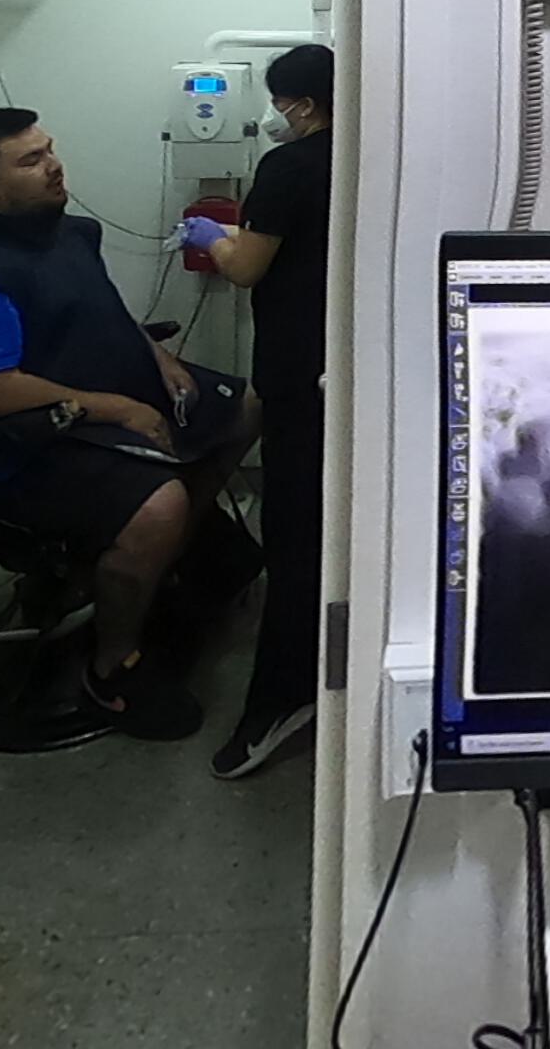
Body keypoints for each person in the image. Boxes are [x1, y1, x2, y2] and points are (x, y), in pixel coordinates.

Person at [0, 107, 262, 740]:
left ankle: (166, 555)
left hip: (104, 396)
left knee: (251, 405)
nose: (53, 165)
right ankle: (111, 666)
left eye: (49, 150)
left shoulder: (63, 234)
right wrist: (121, 408)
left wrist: (159, 359)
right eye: (30, 160)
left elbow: (103, 314)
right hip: (28, 443)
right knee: (157, 507)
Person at [178, 44, 334, 779]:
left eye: (280, 104)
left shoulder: (288, 167)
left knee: (295, 538)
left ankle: (282, 699)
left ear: (300, 104)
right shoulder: (373, 156)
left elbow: (248, 268)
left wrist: (213, 239)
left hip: (299, 375)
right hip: (350, 370)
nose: (277, 116)